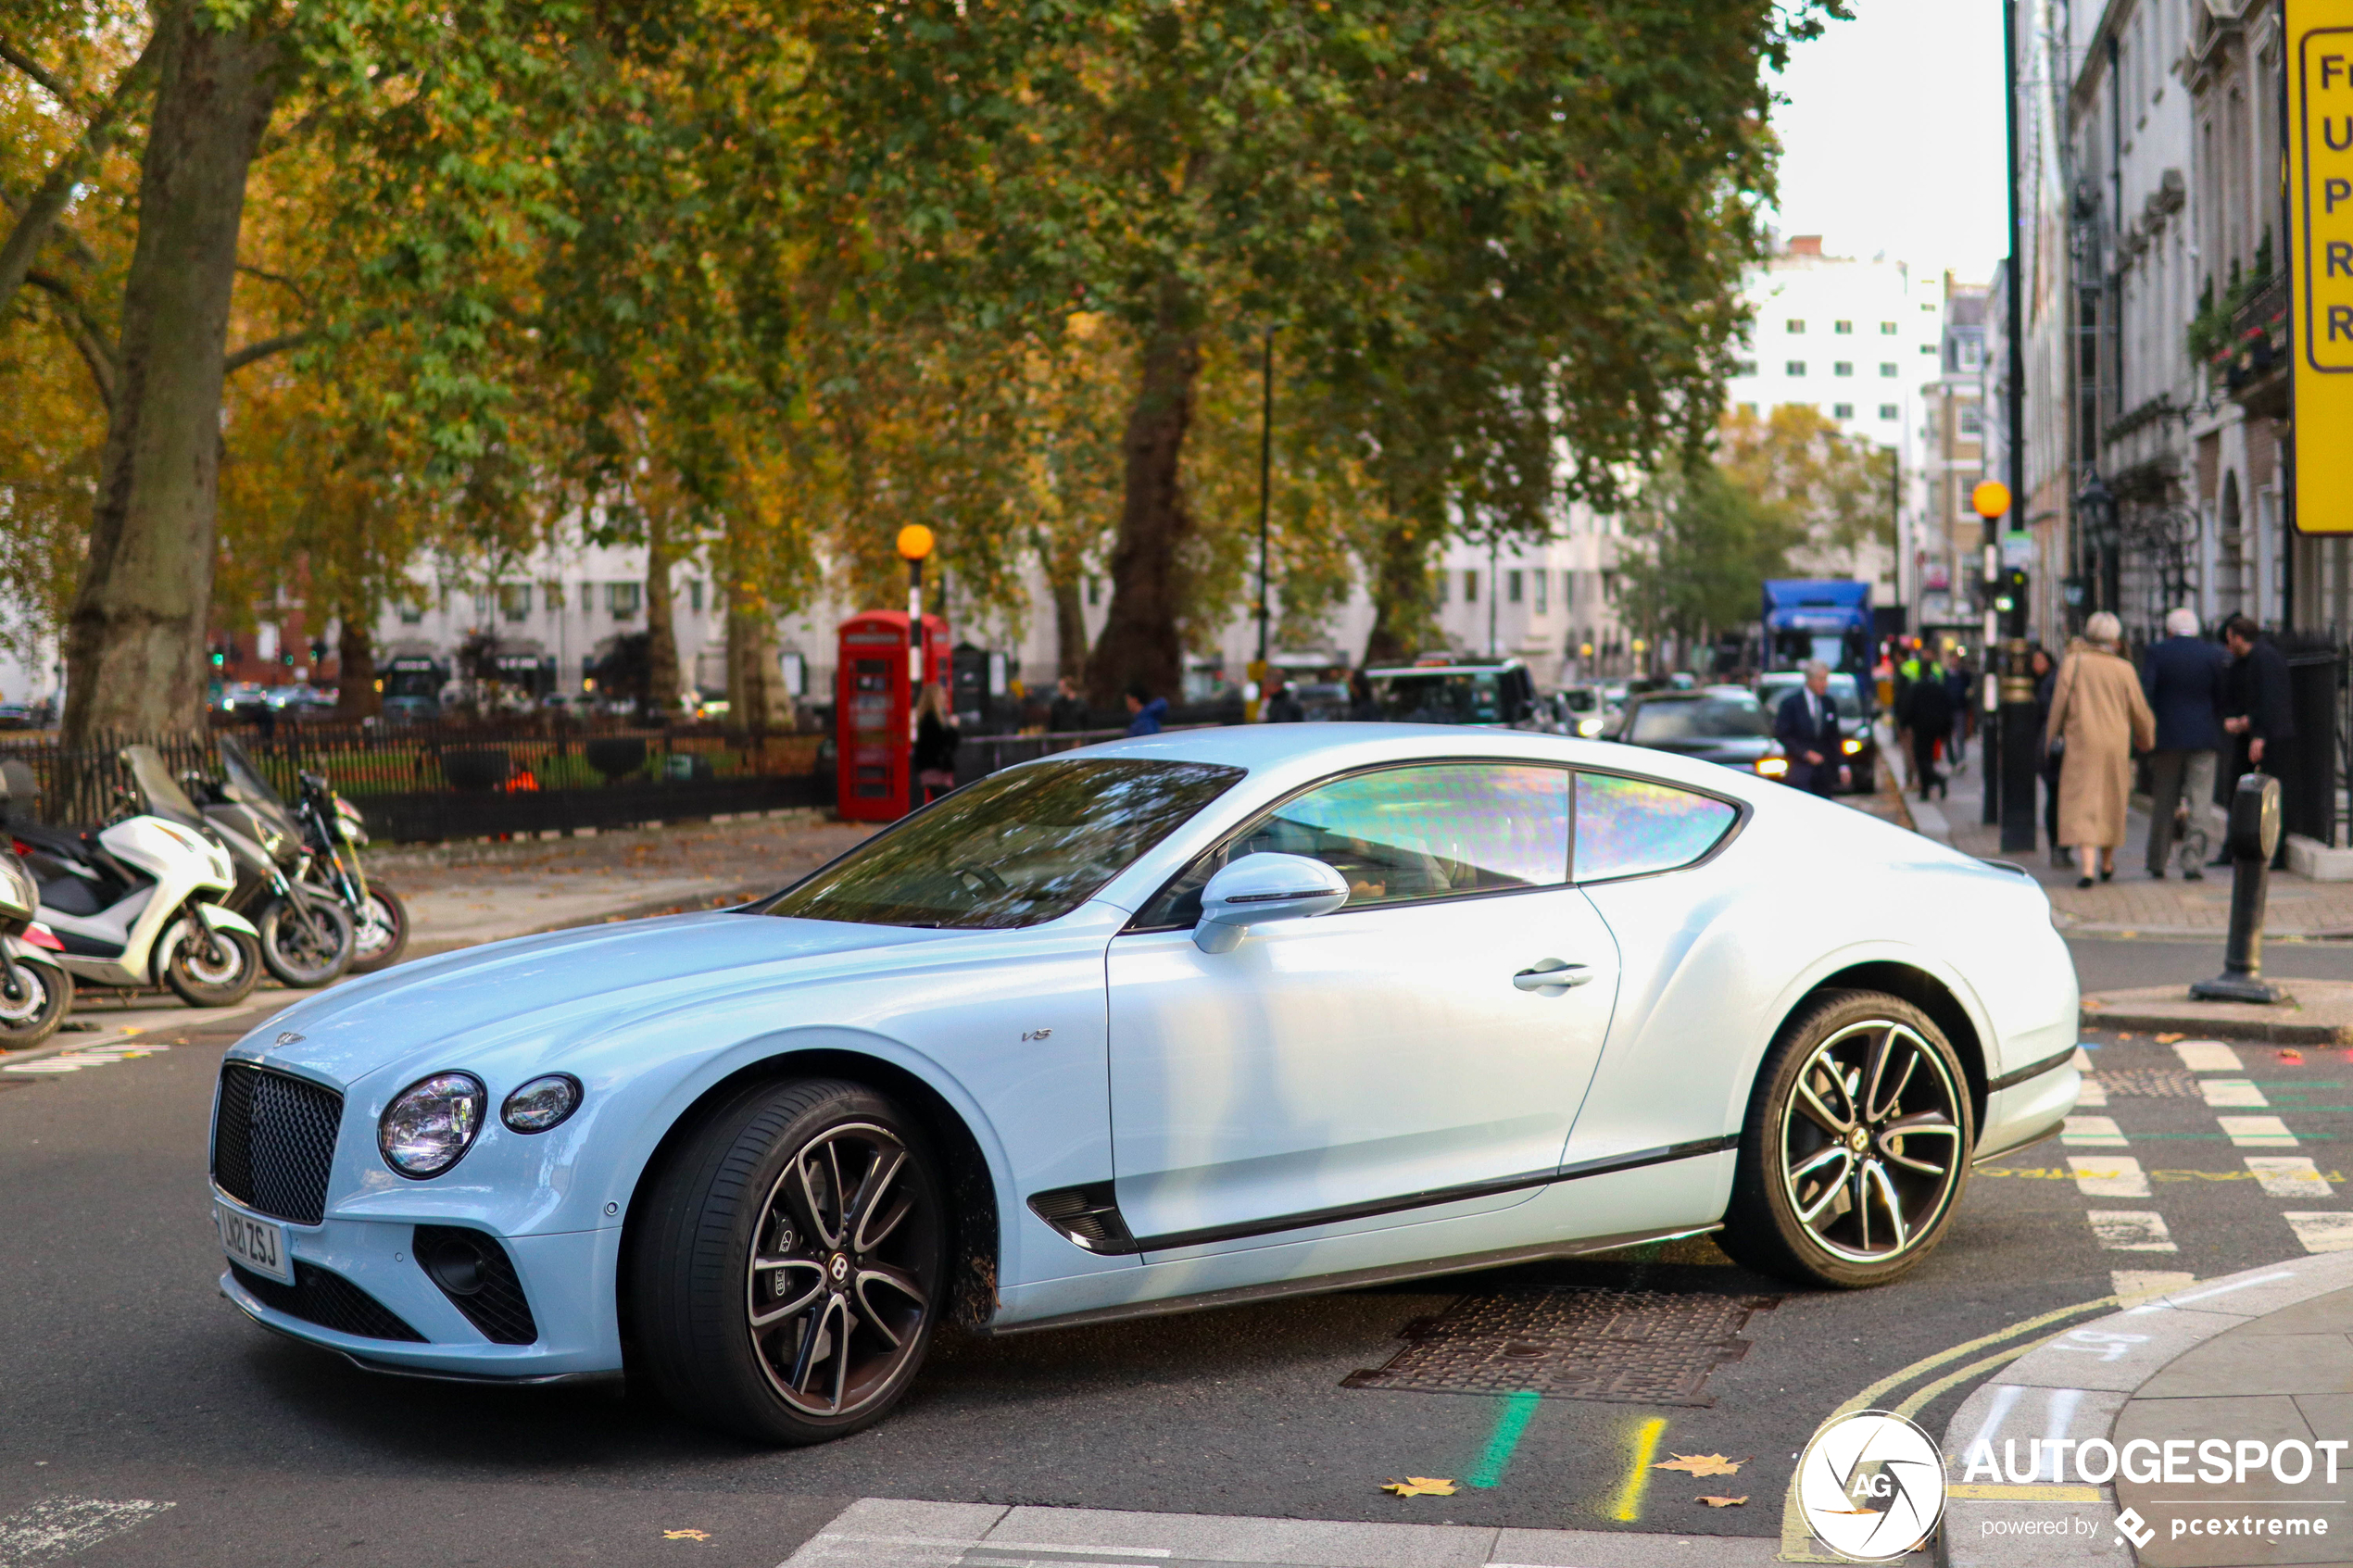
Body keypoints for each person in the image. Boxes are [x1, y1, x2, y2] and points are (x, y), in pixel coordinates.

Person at [2045, 611, 2156, 889]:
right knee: (2112, 799)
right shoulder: (2124, 669)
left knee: (2083, 801)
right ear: (2115, 640)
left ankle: (2087, 867)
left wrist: (2049, 738)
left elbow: (2058, 705)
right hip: (2116, 742)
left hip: (2082, 740)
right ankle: (2106, 863)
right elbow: (2140, 710)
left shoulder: (2073, 663)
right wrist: (2147, 738)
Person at [2140, 607, 2227, 881]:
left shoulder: (2157, 652)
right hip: (2204, 735)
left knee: (2164, 801)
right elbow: (2222, 695)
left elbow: (2147, 693)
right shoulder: (2212, 654)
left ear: (2169, 630)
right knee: (2200, 801)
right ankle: (2192, 860)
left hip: (2167, 737)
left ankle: (2158, 860)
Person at [2219, 612, 2296, 867]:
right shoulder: (2248, 660)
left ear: (2239, 638)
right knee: (2237, 791)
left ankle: (2276, 850)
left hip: (2271, 737)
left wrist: (2257, 734)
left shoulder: (2265, 659)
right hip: (2252, 735)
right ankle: (2233, 847)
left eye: (2230, 641)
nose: (2228, 647)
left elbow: (2271, 701)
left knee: (2271, 793)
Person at [1773, 659, 1846, 797]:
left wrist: (1842, 765)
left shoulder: (1828, 703)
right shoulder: (1791, 704)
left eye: (1826, 679)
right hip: (1800, 772)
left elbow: (1834, 737)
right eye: (1821, 679)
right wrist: (1805, 753)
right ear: (1810, 680)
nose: (1825, 684)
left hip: (1824, 774)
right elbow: (1783, 734)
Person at [1898, 663, 1956, 800]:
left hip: (1920, 727)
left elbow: (1909, 707)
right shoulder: (1939, 688)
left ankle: (1934, 782)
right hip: (1935, 728)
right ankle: (1926, 789)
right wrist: (1946, 729)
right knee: (1928, 758)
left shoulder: (1916, 688)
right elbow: (1948, 708)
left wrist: (1903, 724)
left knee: (1921, 759)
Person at [2031, 645, 2065, 866]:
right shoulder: (2044, 682)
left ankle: (2058, 845)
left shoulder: (2049, 683)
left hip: (2052, 746)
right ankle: (2059, 846)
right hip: (2050, 746)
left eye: (2040, 660)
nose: (2036, 665)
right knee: (2055, 796)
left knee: (2055, 797)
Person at [912, 682, 960, 805]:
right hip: (935, 769)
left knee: (942, 803)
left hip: (933, 768)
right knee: (945, 804)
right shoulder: (931, 720)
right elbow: (942, 743)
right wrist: (953, 728)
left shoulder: (931, 718)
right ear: (935, 698)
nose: (945, 697)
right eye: (942, 694)